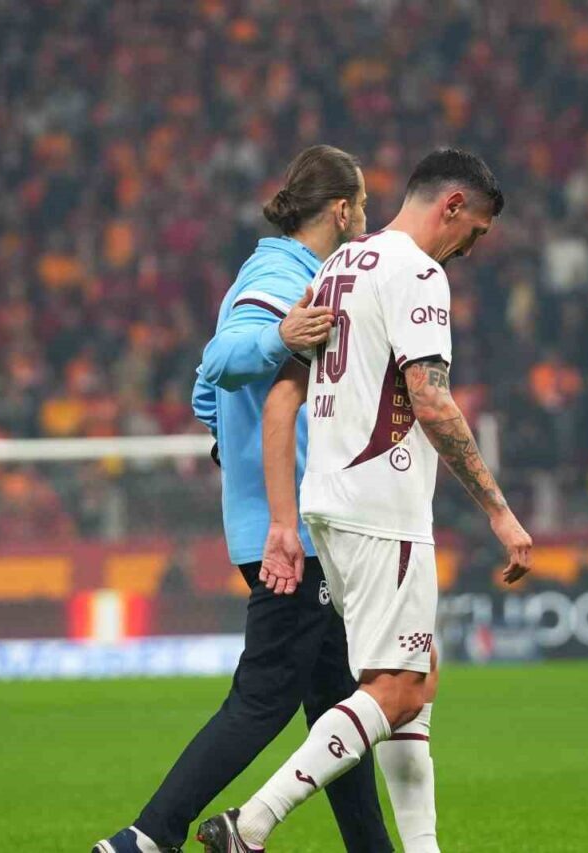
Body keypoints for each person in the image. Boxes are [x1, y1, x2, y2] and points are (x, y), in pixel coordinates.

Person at [198, 148, 533, 852]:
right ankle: (250, 824)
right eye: (475, 230)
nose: (471, 247)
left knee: (413, 679)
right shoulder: (418, 273)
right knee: (398, 688)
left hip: (328, 505)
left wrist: (286, 519)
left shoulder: (337, 268)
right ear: (452, 206)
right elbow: (431, 401)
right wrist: (499, 510)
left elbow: (281, 399)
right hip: (384, 508)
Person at [94, 145, 392, 853]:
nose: (367, 215)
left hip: (290, 525)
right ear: (340, 209)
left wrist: (236, 448)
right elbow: (222, 361)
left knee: (337, 710)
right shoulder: (279, 278)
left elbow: (206, 395)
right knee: (264, 698)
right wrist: (279, 338)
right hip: (292, 536)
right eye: (362, 204)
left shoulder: (282, 271)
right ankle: (146, 837)